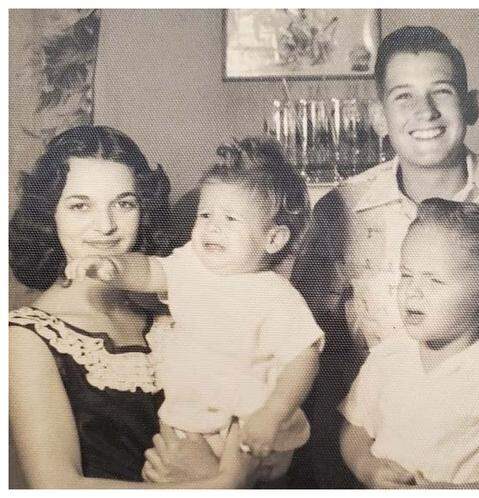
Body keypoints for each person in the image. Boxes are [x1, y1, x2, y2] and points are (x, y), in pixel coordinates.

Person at [290, 25, 479, 487]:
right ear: (380, 117)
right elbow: (309, 344)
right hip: (388, 453)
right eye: (404, 97)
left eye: (441, 92)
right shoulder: (342, 210)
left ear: (471, 104)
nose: (425, 112)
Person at [8, 125, 256, 488]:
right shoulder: (27, 338)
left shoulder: (170, 315)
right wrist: (217, 486)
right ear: (50, 216)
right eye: (80, 206)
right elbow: (57, 486)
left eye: (124, 204)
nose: (106, 226)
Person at [65, 138, 324, 484]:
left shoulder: (274, 295)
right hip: (188, 416)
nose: (213, 227)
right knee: (167, 472)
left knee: (233, 473)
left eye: (230, 218)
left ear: (273, 239)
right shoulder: (190, 264)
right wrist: (114, 267)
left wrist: (272, 414)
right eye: (205, 215)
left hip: (247, 422)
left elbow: (303, 359)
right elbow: (150, 270)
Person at [339, 198, 479, 488]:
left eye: (434, 281)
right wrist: (366, 466)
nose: (411, 292)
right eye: (406, 275)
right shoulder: (386, 356)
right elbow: (354, 427)